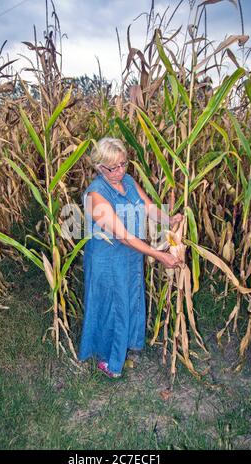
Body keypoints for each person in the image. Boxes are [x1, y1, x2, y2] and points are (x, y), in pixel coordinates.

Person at [78, 137, 183, 378]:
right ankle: (111, 362)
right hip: (107, 259)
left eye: (123, 164)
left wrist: (169, 220)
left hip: (131, 254)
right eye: (112, 167)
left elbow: (148, 207)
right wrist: (159, 255)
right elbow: (122, 236)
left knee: (131, 297)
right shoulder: (96, 195)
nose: (119, 171)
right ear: (99, 168)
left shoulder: (128, 180)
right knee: (112, 304)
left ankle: (130, 345)